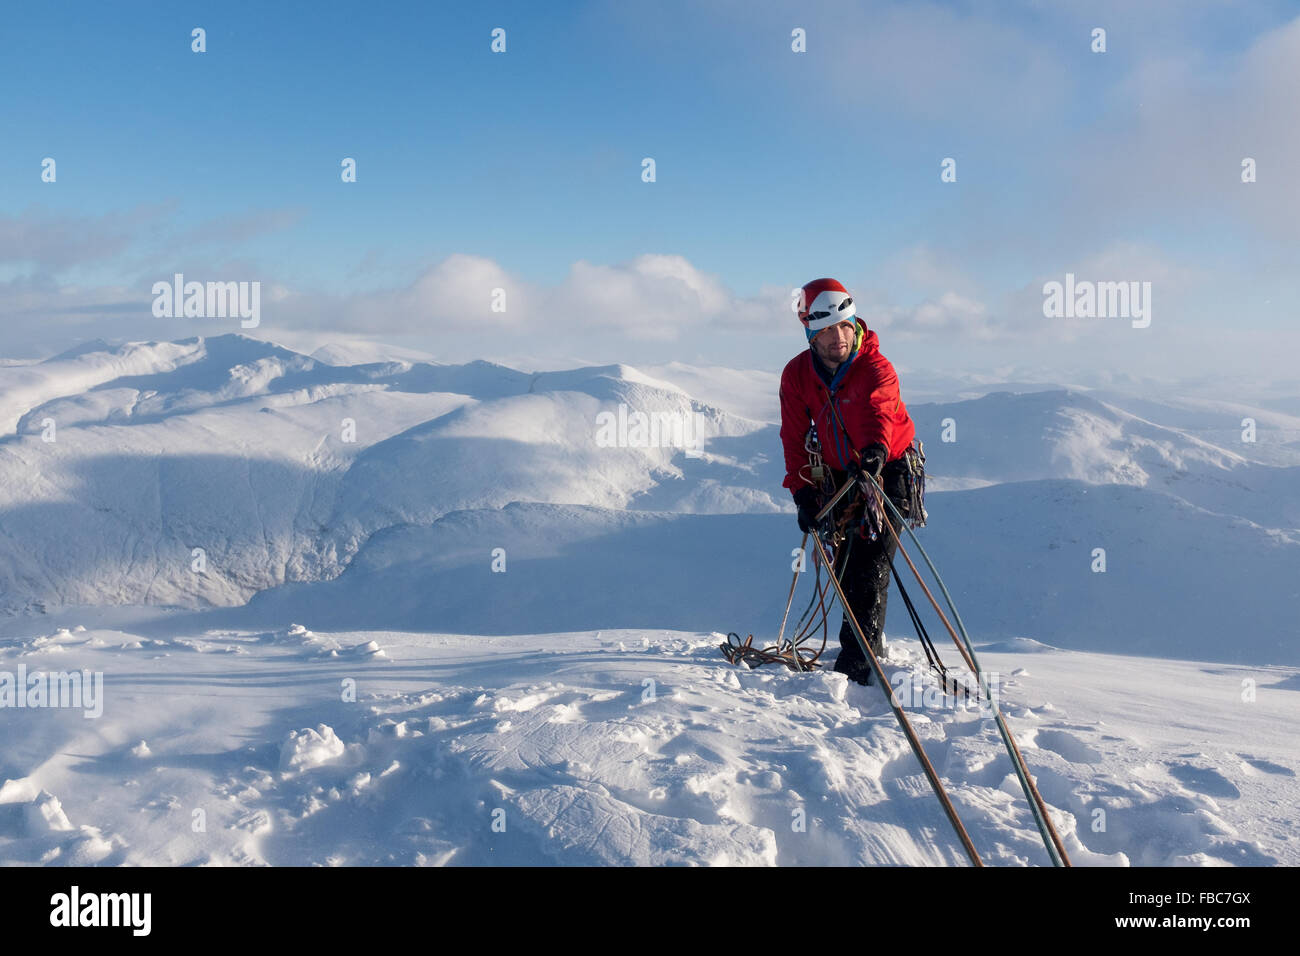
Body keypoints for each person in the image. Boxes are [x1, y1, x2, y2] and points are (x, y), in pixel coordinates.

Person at [778, 277, 918, 685]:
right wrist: (801, 491)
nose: (839, 337)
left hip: (887, 469)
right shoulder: (798, 375)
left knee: (868, 566)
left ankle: (856, 668)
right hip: (839, 474)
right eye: (827, 330)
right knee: (843, 567)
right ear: (810, 333)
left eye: (844, 326)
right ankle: (866, 640)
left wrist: (875, 449)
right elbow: (793, 435)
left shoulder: (876, 366)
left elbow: (881, 409)